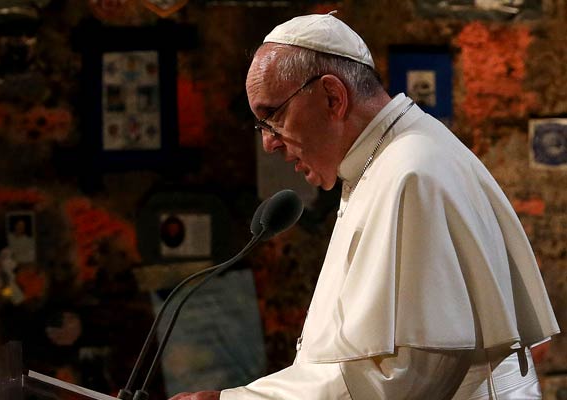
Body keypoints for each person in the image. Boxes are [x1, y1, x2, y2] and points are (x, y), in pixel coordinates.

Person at [170, 12, 560, 400]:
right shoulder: (383, 163)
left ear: (333, 97)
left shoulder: (412, 173)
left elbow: (404, 377)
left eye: (272, 116)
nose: (269, 143)